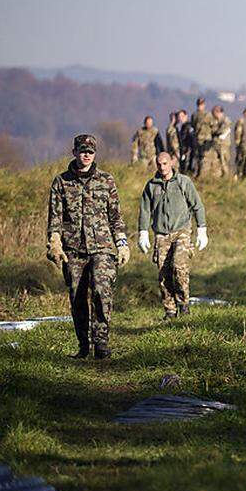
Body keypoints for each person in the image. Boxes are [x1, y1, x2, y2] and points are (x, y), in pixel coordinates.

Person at [45, 134, 130, 359]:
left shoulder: (106, 180)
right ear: (74, 152)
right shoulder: (61, 182)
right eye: (82, 151)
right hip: (73, 249)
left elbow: (115, 217)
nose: (86, 155)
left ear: (95, 154)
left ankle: (101, 343)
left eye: (90, 152)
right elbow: (55, 217)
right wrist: (55, 243)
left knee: (102, 291)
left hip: (103, 247)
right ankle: (84, 345)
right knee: (77, 296)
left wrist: (122, 244)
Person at [137, 152, 207, 319]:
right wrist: (143, 232)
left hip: (181, 231)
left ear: (171, 163)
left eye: (165, 163)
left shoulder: (183, 182)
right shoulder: (151, 186)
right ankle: (170, 309)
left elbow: (197, 206)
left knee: (179, 266)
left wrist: (202, 229)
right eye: (159, 164)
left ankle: (183, 304)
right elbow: (145, 210)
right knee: (163, 272)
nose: (162, 167)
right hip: (161, 234)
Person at [203, 105, 231, 179]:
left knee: (223, 161)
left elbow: (223, 131)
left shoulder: (225, 120)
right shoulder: (215, 121)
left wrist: (215, 132)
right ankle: (217, 177)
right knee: (216, 161)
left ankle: (226, 177)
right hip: (216, 145)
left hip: (223, 145)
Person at [192, 98, 215, 178]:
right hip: (197, 139)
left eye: (201, 104)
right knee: (197, 156)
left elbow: (213, 126)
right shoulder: (195, 114)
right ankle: (196, 173)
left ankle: (203, 175)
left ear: (204, 105)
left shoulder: (208, 115)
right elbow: (193, 125)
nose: (200, 106)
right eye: (199, 104)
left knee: (205, 157)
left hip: (206, 139)